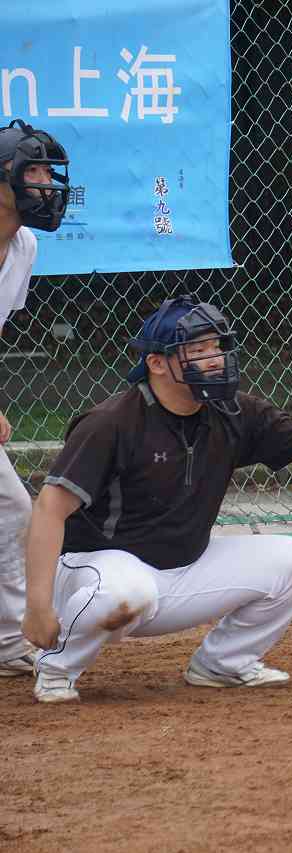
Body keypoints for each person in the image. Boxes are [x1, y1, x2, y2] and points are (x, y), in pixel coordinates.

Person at [21, 295, 292, 703]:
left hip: (181, 569)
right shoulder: (111, 422)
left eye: (216, 347)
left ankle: (223, 664)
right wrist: (38, 606)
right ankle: (56, 669)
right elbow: (49, 508)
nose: (213, 359)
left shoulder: (232, 411)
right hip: (97, 573)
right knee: (128, 591)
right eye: (197, 350)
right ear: (157, 363)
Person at [0, 120, 70, 679]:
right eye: (35, 171)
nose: (48, 184)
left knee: (12, 510)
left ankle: (7, 643)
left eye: (49, 172)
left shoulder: (23, 246)